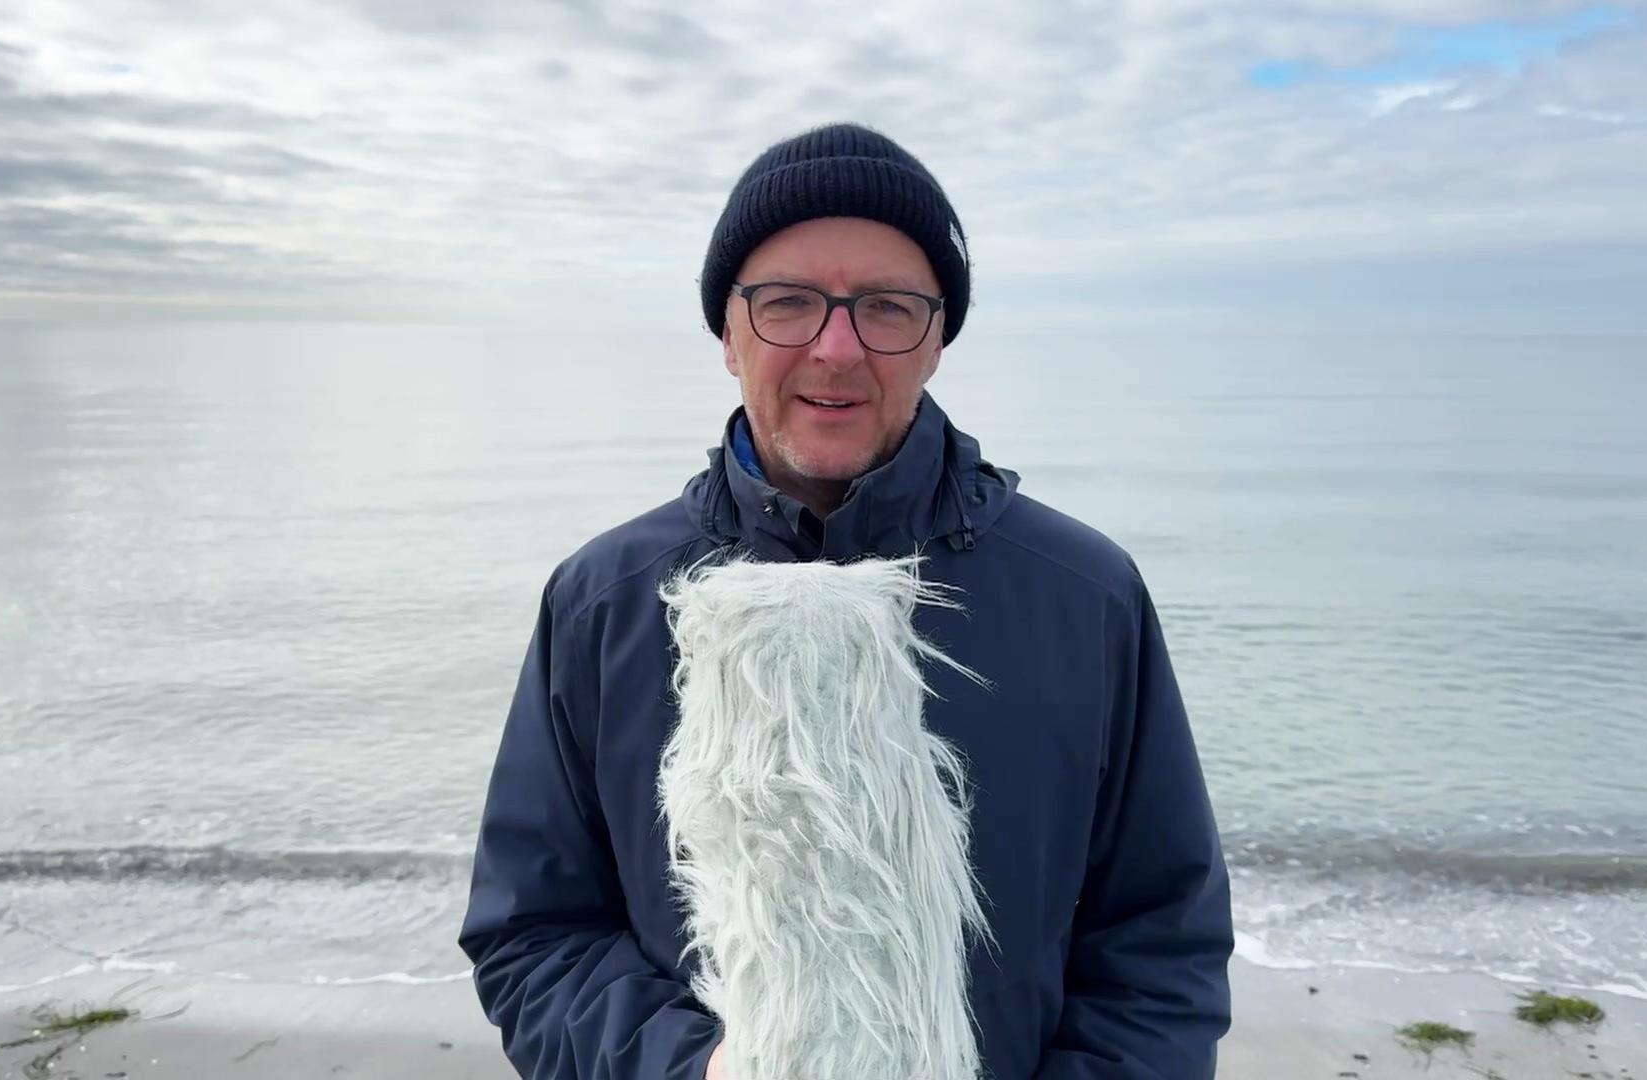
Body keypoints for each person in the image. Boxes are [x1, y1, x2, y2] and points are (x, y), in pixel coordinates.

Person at [458, 122, 1234, 1079]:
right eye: (788, 304)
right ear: (728, 333)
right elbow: (534, 933)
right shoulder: (603, 601)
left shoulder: (1086, 594)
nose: (835, 349)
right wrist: (687, 1070)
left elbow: (1160, 941)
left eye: (887, 307)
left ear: (937, 337)